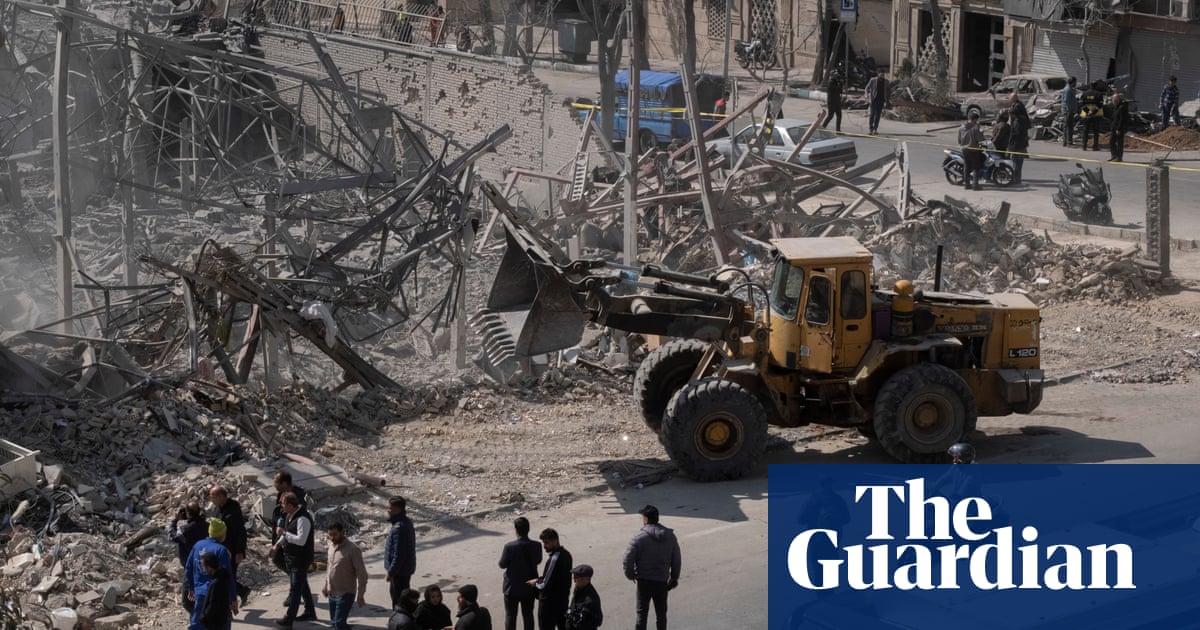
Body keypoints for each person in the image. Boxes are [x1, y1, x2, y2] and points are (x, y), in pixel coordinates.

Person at [622, 505, 681, 630]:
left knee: (641, 615)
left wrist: (631, 575)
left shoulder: (639, 537)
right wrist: (674, 578)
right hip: (662, 582)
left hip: (644, 582)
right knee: (661, 615)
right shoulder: (670, 536)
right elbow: (676, 559)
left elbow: (627, 559)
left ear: (646, 519)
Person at [184, 518, 238, 630]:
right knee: (221, 624)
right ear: (221, 534)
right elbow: (228, 576)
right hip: (217, 595)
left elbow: (188, 567)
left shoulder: (198, 545)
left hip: (200, 593)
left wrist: (191, 587)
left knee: (198, 623)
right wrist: (233, 598)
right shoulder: (221, 550)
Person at [273, 491, 316, 627]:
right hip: (291, 557)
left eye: (283, 504)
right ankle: (310, 611)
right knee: (302, 586)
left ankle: (289, 618)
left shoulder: (303, 519)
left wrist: (284, 533)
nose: (281, 506)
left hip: (301, 559)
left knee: (296, 590)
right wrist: (277, 545)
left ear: (290, 505)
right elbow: (287, 533)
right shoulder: (289, 516)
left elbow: (301, 540)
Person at [208, 485, 250, 606]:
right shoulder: (217, 509)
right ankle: (241, 591)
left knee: (226, 577)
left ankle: (229, 604)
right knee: (224, 577)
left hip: (232, 550)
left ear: (222, 496)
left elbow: (240, 532)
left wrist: (240, 551)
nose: (212, 500)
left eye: (214, 497)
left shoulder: (233, 510)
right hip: (219, 550)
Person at [323, 522, 368, 630]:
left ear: (342, 532)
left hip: (346, 593)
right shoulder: (331, 547)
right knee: (334, 623)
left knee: (339, 624)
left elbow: (362, 574)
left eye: (335, 534)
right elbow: (329, 568)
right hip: (332, 592)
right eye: (330, 535)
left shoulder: (353, 549)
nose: (332, 538)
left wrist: (360, 595)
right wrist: (326, 585)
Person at [499, 517, 542, 630]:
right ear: (528, 529)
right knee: (528, 615)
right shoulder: (537, 545)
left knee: (510, 616)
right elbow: (538, 560)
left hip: (511, 588)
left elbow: (502, 564)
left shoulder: (509, 547)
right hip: (529, 587)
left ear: (516, 530)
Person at [528, 528, 572, 630]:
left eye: (547, 543)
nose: (544, 546)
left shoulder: (554, 558)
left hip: (549, 605)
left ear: (555, 541)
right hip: (562, 601)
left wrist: (535, 582)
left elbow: (544, 583)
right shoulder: (567, 554)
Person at [170, 501, 208, 613]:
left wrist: (174, 520)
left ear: (188, 513)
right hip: (207, 565)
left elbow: (172, 536)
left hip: (191, 567)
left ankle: (200, 619)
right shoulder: (207, 526)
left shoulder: (185, 530)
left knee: (187, 602)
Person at [271, 471, 307, 574]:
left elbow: (296, 514)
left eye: (276, 482)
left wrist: (283, 524)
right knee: (277, 558)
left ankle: (296, 577)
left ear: (284, 483)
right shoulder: (281, 494)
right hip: (281, 533)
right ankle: (294, 577)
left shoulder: (298, 496)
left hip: (291, 533)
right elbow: (280, 511)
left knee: (290, 561)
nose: (274, 484)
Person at [385, 496, 417, 608]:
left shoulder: (399, 528)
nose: (388, 510)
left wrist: (391, 572)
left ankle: (399, 618)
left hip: (400, 572)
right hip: (403, 570)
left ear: (398, 509)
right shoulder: (405, 522)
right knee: (403, 599)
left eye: (390, 508)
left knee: (399, 601)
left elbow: (399, 554)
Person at [199, 552, 233, 630]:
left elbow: (213, 604)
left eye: (203, 566)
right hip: (221, 620)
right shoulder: (222, 577)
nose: (203, 569)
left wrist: (204, 617)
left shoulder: (216, 582)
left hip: (215, 623)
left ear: (209, 567)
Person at [565, 565, 602, 630]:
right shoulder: (578, 589)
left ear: (587, 579)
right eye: (574, 577)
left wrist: (582, 620)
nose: (574, 580)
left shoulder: (591, 599)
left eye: (577, 577)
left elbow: (598, 621)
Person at [958, 111, 985, 190]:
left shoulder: (961, 128)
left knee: (966, 166)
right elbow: (980, 139)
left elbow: (959, 140)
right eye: (976, 120)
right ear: (974, 120)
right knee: (976, 167)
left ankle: (967, 184)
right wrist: (981, 131)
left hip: (964, 149)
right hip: (973, 150)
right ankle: (975, 185)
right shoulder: (975, 129)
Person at [1008, 95, 1031, 185]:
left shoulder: (1017, 122)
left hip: (1017, 146)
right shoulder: (1021, 120)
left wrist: (1009, 146)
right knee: (1018, 162)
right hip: (1021, 145)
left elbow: (1015, 135)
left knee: (1016, 162)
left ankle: (1016, 179)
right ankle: (1017, 179)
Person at [1079, 80, 1105, 151]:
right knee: (1095, 131)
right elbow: (1100, 105)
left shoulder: (1084, 93)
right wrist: (1093, 111)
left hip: (1086, 114)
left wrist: (1087, 111)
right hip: (1096, 115)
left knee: (1085, 130)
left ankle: (1084, 146)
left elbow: (1081, 104)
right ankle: (1095, 146)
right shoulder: (1099, 94)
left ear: (1090, 85)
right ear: (1096, 86)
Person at [865, 70, 888, 135]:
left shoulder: (886, 81)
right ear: (878, 74)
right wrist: (866, 95)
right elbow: (867, 87)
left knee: (878, 115)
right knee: (872, 114)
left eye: (883, 75)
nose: (882, 76)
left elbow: (888, 90)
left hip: (881, 100)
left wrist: (887, 100)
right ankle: (870, 129)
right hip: (873, 100)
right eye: (881, 74)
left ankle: (875, 129)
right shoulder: (873, 80)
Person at [1110, 92, 1130, 163]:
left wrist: (1118, 129)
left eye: (1115, 100)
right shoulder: (1116, 107)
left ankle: (1119, 157)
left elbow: (1122, 119)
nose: (1113, 101)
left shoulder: (1122, 107)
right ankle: (1114, 155)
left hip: (1119, 128)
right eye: (1113, 100)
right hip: (1114, 127)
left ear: (1118, 100)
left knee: (1119, 143)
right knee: (1112, 142)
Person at [1060, 77, 1078, 146]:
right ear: (1072, 82)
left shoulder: (1070, 89)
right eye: (1075, 82)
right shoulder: (1068, 89)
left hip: (1069, 110)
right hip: (1068, 111)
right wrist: (1069, 111)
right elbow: (1066, 101)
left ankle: (1067, 142)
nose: (1076, 83)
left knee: (1068, 126)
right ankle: (1068, 142)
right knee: (1068, 126)